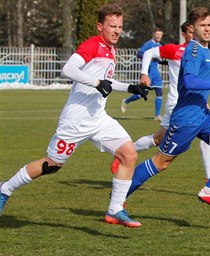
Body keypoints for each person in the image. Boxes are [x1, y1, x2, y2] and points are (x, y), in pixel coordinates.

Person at [0, 4, 150, 227]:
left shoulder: (111, 49)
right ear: (100, 26)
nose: (117, 30)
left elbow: (106, 83)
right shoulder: (93, 45)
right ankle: (4, 189)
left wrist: (130, 88)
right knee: (52, 165)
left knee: (129, 155)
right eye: (112, 26)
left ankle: (115, 210)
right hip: (76, 121)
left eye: (120, 26)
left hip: (99, 119)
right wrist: (98, 83)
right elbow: (68, 70)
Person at [125, 7, 210, 214]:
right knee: (160, 163)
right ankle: (119, 197)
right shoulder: (194, 50)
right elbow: (188, 81)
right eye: (202, 26)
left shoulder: (206, 51)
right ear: (192, 28)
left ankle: (209, 190)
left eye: (209, 25)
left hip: (202, 114)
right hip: (186, 118)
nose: (207, 29)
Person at [111, 22, 210, 189]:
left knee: (157, 138)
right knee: (169, 151)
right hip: (178, 103)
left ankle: (124, 152)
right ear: (185, 34)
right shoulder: (176, 50)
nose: (194, 34)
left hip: (195, 101)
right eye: (190, 32)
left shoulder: (203, 51)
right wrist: (144, 73)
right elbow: (148, 52)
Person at [121, 28, 164, 121]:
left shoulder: (160, 46)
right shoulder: (149, 44)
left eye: (160, 35)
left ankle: (157, 115)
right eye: (157, 34)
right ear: (153, 34)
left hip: (155, 73)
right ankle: (126, 101)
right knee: (142, 94)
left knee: (159, 92)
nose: (158, 36)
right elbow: (139, 53)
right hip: (148, 73)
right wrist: (149, 56)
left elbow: (159, 60)